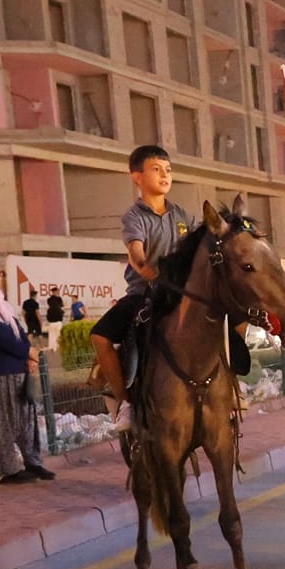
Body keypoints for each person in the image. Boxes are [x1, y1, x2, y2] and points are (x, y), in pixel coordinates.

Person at [90, 145, 191, 434]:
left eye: (168, 170)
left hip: (182, 294)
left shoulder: (184, 216)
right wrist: (148, 269)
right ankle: (126, 401)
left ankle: (234, 389)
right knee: (100, 336)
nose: (165, 175)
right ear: (136, 177)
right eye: (156, 169)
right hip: (145, 293)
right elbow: (136, 253)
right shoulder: (134, 217)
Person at [0, 257, 53, 486]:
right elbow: (5, 341)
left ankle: (33, 461)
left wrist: (28, 359)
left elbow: (19, 335)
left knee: (26, 419)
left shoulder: (5, 307)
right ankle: (10, 469)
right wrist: (29, 352)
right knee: (2, 421)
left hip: (16, 370)